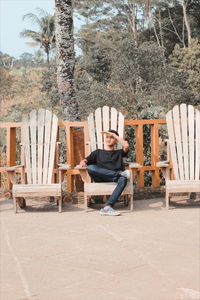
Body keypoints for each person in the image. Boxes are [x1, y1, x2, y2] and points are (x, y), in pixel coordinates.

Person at [79, 129, 130, 216]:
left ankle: (107, 207)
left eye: (111, 138)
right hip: (100, 177)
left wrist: (114, 135)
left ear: (116, 140)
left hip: (114, 178)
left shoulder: (119, 153)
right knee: (91, 167)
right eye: (107, 137)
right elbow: (85, 161)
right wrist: (83, 161)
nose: (108, 139)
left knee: (123, 179)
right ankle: (120, 173)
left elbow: (126, 145)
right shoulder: (97, 152)